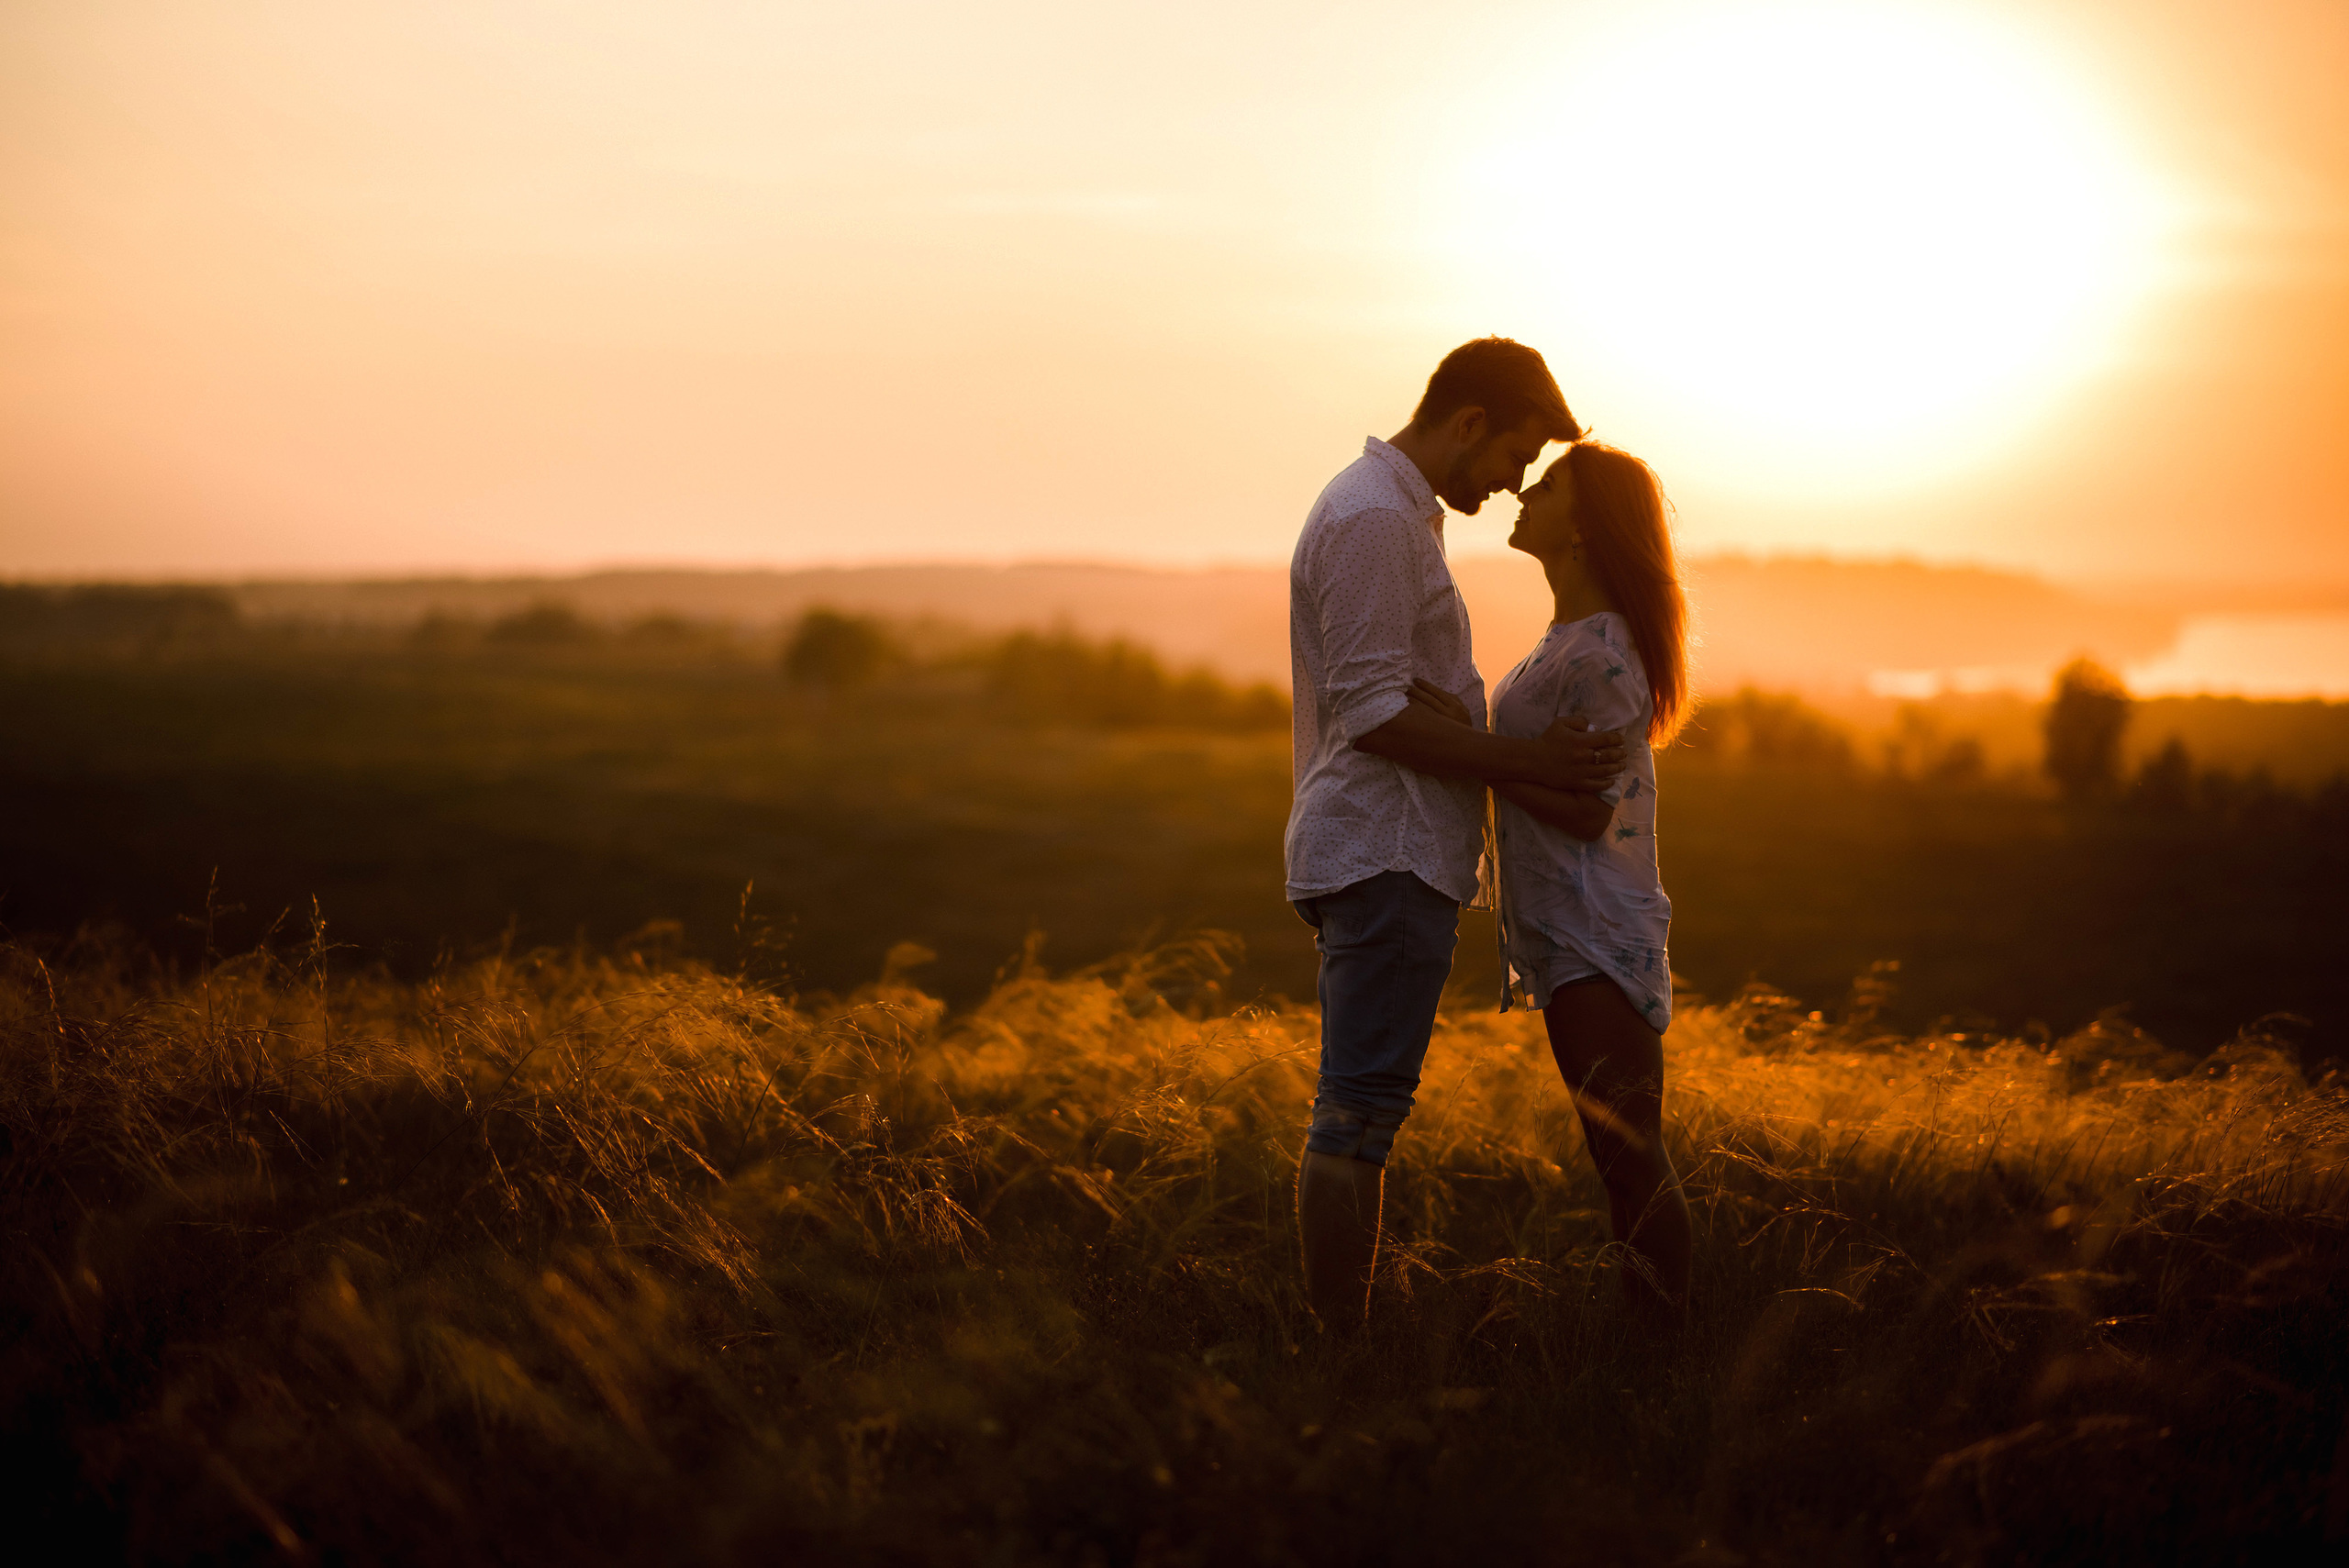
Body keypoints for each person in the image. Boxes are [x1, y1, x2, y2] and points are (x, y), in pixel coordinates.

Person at [1285, 337, 1625, 1335]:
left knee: (1364, 1111)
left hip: (1396, 855)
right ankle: (1335, 1349)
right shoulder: (1374, 520)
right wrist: (1532, 762)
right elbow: (1377, 714)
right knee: (1355, 1114)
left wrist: (1457, 725)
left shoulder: (1391, 517)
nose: (1512, 485)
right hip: (1383, 853)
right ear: (1470, 422)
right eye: (1514, 457)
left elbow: (1387, 702)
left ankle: (1332, 1341)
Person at [1404, 439, 1694, 1326]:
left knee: (1631, 1158)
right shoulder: (1569, 642)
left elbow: (1583, 811)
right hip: (1568, 933)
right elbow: (1548, 774)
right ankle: (1655, 1339)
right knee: (1618, 1157)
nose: (1528, 489)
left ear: (1585, 528)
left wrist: (1477, 761)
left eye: (1553, 482)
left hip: (1596, 935)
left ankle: (1668, 1347)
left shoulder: (1604, 654)